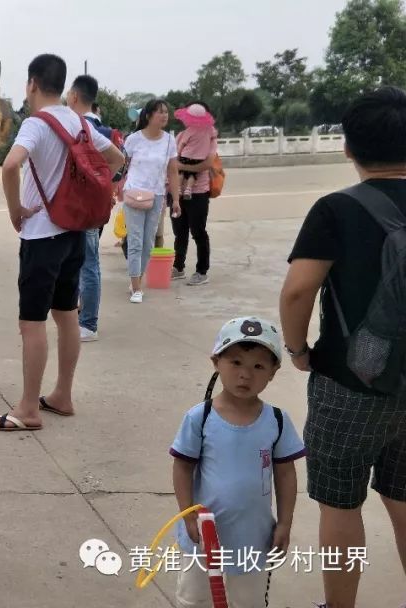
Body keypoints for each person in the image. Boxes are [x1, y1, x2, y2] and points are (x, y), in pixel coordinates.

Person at [279, 86, 406, 608]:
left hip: (349, 383)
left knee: (339, 505)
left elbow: (297, 290)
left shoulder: (335, 210)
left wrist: (298, 349)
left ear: (348, 147)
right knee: (403, 499)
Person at [0, 54, 124, 432]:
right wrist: (89, 190)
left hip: (42, 236)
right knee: (66, 316)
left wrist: (15, 211)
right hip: (75, 233)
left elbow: (10, 165)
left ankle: (28, 408)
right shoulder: (77, 120)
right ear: (62, 86)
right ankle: (62, 395)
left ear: (32, 83)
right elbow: (115, 157)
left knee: (32, 324)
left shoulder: (36, 123)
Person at [170, 317, 305, 608]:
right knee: (194, 599)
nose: (245, 375)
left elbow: (285, 475)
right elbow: (182, 467)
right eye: (236, 363)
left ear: (273, 372)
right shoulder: (200, 418)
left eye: (258, 366)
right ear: (216, 362)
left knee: (249, 601)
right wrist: (187, 515)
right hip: (204, 537)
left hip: (253, 539)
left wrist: (284, 522)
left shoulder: (277, 421)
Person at [65, 75, 114, 342]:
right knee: (85, 261)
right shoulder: (103, 129)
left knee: (86, 263)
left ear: (74, 96)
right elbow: (118, 161)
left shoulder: (79, 127)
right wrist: (105, 190)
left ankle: (88, 323)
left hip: (79, 207)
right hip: (94, 206)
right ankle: (84, 313)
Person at [122, 99, 181, 304]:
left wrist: (176, 199)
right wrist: (116, 187)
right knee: (136, 241)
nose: (164, 115)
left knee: (148, 243)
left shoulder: (169, 141)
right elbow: (122, 165)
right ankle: (136, 288)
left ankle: (136, 278)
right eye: (159, 112)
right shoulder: (133, 139)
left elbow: (173, 171)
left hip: (156, 196)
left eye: (166, 112)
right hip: (133, 193)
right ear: (148, 116)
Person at [171, 102, 219, 287]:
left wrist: (182, 166)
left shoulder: (210, 136)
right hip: (178, 191)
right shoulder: (183, 135)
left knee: (198, 231)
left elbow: (207, 164)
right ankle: (178, 267)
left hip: (199, 191)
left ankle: (201, 271)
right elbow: (172, 159)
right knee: (179, 231)